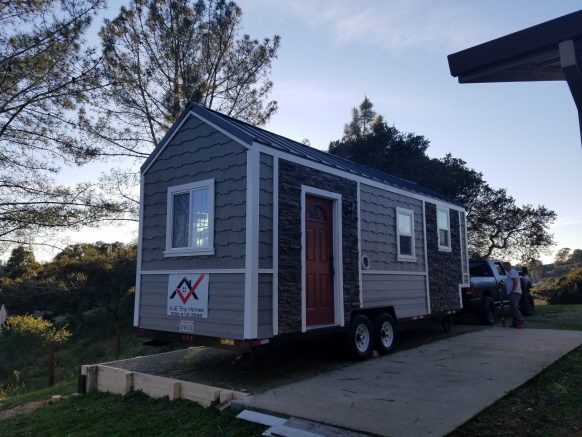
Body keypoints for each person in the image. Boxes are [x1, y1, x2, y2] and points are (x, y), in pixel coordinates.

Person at [502, 261, 525, 329]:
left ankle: (521, 322)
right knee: (512, 308)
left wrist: (512, 290)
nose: (504, 268)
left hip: (515, 293)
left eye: (504, 267)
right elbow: (508, 282)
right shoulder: (509, 273)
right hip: (512, 293)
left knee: (514, 308)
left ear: (508, 266)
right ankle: (515, 323)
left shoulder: (513, 272)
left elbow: (515, 281)